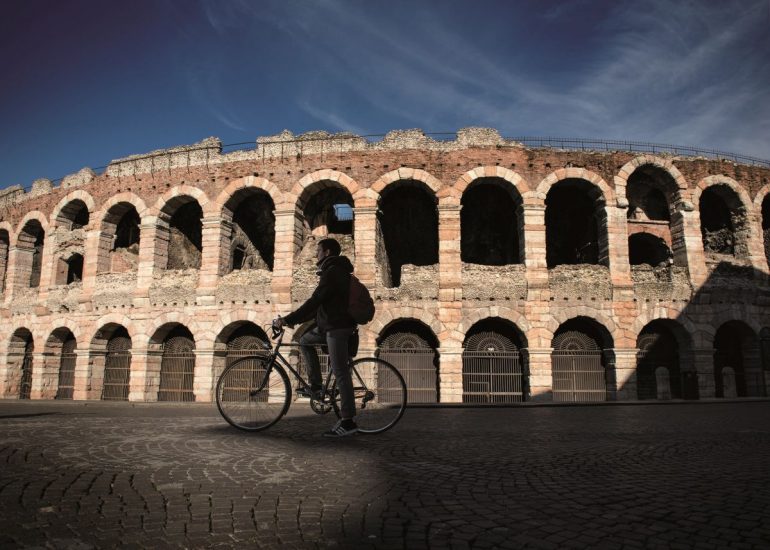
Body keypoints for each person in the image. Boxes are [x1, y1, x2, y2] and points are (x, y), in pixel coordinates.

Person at [274, 238, 358, 437]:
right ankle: (317, 387)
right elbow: (319, 307)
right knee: (304, 340)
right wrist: (292, 320)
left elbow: (315, 301)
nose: (316, 255)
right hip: (332, 325)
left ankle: (348, 421)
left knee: (341, 372)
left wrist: (287, 319)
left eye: (318, 251)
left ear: (327, 252)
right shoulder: (335, 271)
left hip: (338, 327)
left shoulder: (333, 272)